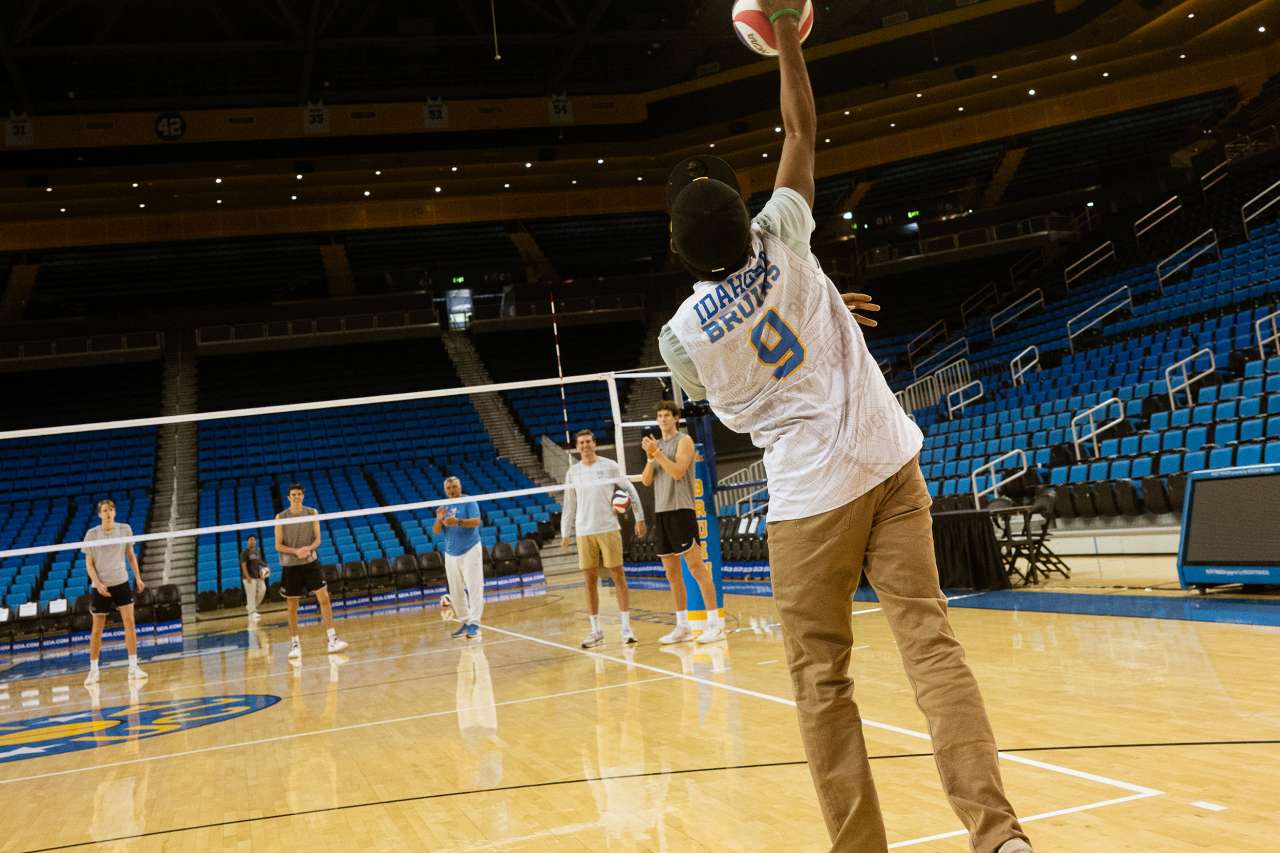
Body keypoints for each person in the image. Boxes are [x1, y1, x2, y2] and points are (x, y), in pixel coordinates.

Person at [656, 5, 1032, 852]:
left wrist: (812, 324)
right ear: (746, 220)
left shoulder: (680, 340)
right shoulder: (784, 238)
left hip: (808, 502)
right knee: (932, 646)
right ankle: (998, 833)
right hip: (889, 464)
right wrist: (785, 27)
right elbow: (802, 126)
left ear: (682, 255)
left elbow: (733, 379)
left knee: (823, 684)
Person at [641, 401, 724, 645]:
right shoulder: (657, 446)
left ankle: (715, 623)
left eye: (667, 415)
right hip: (662, 511)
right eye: (659, 416)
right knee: (671, 573)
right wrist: (649, 458)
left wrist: (657, 454)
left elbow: (677, 472)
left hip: (682, 509)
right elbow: (647, 481)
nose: (663, 419)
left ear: (676, 418)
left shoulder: (683, 441)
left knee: (696, 568)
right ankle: (682, 626)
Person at [560, 430, 646, 649]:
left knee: (618, 576)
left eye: (588, 441)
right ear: (577, 447)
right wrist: (565, 533)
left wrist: (640, 518)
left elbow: (630, 490)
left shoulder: (609, 466)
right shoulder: (573, 472)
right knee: (589, 581)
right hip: (584, 531)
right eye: (581, 443)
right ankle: (595, 630)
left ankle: (626, 628)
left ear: (594, 443)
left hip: (608, 528)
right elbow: (569, 504)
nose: (585, 446)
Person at [274, 483, 348, 660]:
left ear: (303, 496)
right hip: (291, 565)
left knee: (324, 598)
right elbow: (278, 545)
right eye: (293, 494)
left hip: (310, 562)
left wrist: (308, 548)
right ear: (288, 497)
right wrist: (296, 552)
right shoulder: (280, 517)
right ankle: (295, 644)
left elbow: (318, 540)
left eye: (299, 494)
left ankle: (332, 639)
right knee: (292, 607)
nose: (296, 497)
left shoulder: (312, 512)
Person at [82, 498, 147, 685]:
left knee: (130, 624)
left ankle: (133, 667)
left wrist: (138, 576)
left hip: (121, 582)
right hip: (100, 586)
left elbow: (131, 556)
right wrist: (97, 583)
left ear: (115, 512)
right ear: (99, 514)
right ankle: (94, 670)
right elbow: (89, 564)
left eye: (111, 509)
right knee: (97, 630)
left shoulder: (125, 529)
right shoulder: (92, 534)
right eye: (104, 510)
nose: (108, 512)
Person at [434, 475, 484, 640]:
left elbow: (476, 522)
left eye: (454, 487)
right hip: (451, 553)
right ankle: (465, 621)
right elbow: (436, 531)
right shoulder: (444, 506)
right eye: (448, 488)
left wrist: (458, 521)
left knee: (474, 587)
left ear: (460, 487)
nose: (451, 490)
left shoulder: (469, 501)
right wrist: (438, 519)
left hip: (470, 549)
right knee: (455, 591)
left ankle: (475, 624)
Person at [240, 534, 270, 622]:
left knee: (262, 590)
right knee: (251, 595)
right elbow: (243, 565)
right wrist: (247, 576)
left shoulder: (257, 551)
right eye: (250, 540)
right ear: (247, 542)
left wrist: (266, 568)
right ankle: (252, 613)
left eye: (253, 540)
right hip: (249, 577)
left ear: (255, 541)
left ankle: (250, 607)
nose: (252, 541)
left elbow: (260, 562)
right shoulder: (244, 552)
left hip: (258, 576)